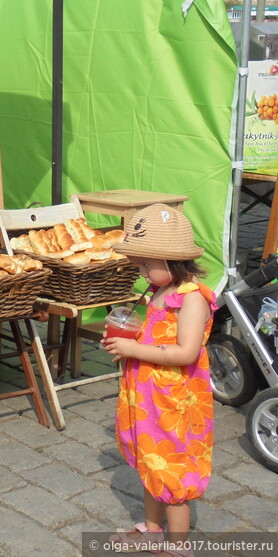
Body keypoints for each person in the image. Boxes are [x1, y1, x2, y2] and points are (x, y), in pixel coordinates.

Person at [101, 204, 217, 557]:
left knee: (175, 472)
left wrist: (134, 349)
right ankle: (152, 530)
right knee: (153, 461)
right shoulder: (159, 291)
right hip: (149, 394)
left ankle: (177, 546)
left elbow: (185, 353)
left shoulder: (191, 299)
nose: (141, 272)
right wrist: (130, 344)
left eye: (144, 265)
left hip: (175, 400)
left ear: (172, 260)